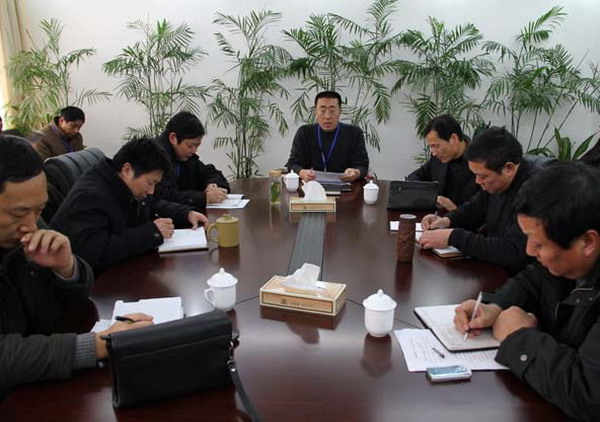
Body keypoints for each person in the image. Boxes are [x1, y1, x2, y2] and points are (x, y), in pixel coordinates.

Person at [0, 135, 153, 399]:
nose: (32, 225)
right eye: (18, 213)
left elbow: (76, 296)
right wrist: (98, 345)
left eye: (39, 211)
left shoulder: (26, 228)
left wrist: (67, 269)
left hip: (40, 382)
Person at [453, 162, 600, 420]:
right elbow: (533, 279)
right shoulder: (564, 262)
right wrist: (495, 305)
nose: (529, 251)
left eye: (539, 244)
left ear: (587, 242)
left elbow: (589, 394)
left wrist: (519, 337)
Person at [51, 138, 209, 273]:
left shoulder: (118, 182)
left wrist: (186, 213)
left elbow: (151, 203)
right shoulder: (91, 195)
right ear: (127, 170)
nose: (151, 191)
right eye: (150, 183)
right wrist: (151, 233)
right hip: (98, 286)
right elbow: (95, 252)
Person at [419, 126, 538, 273]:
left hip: (517, 276)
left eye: (483, 176)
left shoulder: (535, 192)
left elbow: (513, 250)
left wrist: (453, 237)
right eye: (475, 175)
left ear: (509, 168)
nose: (477, 181)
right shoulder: (495, 184)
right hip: (493, 268)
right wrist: (446, 221)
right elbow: (474, 208)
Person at [285, 91, 369, 182]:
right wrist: (302, 172)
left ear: (340, 111)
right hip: (311, 186)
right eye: (322, 111)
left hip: (347, 186)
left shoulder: (354, 133)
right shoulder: (304, 132)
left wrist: (356, 173)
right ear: (315, 112)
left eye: (332, 111)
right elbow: (292, 164)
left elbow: (363, 166)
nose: (327, 116)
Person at [154, 112, 230, 208]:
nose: (194, 151)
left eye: (197, 146)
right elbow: (162, 194)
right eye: (190, 146)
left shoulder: (186, 157)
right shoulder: (154, 156)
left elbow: (209, 172)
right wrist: (203, 198)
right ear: (173, 138)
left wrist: (213, 185)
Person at [407, 115, 479, 211]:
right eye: (431, 147)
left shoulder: (478, 163)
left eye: (436, 146)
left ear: (453, 139)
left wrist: (455, 209)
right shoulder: (438, 158)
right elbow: (414, 177)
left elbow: (483, 211)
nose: (434, 153)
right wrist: (432, 197)